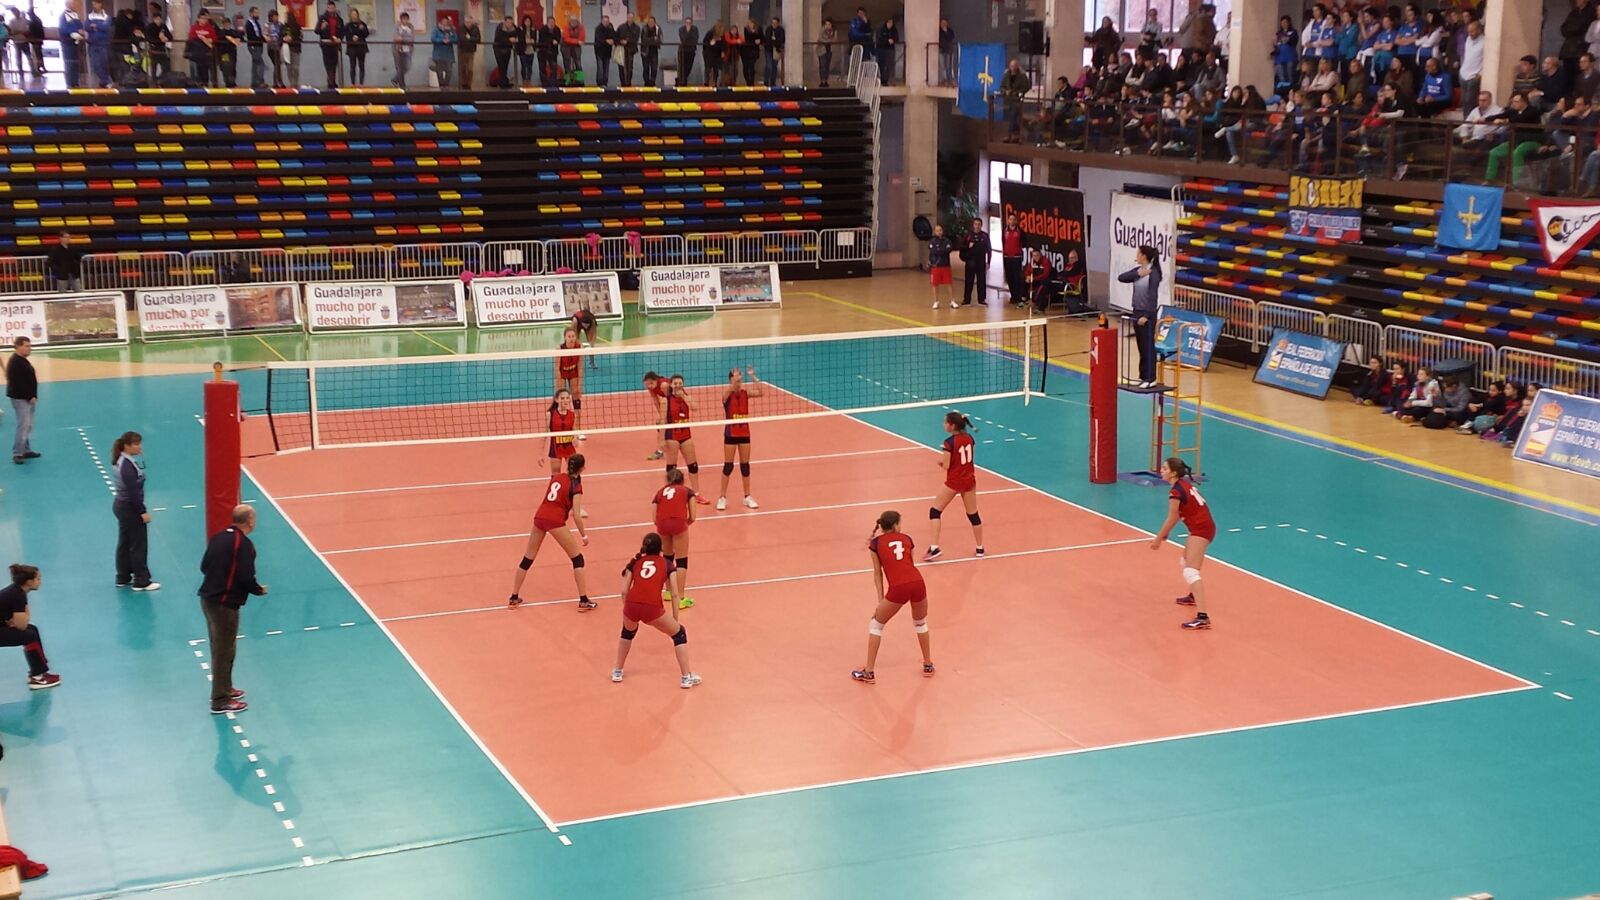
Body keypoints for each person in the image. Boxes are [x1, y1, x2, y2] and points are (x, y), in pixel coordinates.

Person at [199, 505, 267, 714]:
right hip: (224, 604)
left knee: (219, 647)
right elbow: (246, 576)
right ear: (250, 521)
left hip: (208, 599)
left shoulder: (218, 537)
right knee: (225, 651)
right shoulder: (244, 545)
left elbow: (204, 566)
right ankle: (220, 700)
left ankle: (226, 688)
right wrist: (258, 590)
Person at [853, 510, 934, 683]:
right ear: (896, 525)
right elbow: (908, 564)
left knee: (876, 625)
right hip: (918, 582)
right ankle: (928, 664)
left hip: (898, 587)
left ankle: (869, 672)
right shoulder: (907, 539)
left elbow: (878, 573)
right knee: (920, 623)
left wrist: (881, 599)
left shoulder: (875, 544)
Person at [612, 533, 700, 688]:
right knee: (679, 634)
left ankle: (617, 671)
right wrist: (675, 619)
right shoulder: (667, 564)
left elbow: (624, 591)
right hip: (652, 607)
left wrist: (628, 609)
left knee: (627, 632)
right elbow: (674, 594)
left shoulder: (636, 562)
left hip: (631, 604)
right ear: (661, 548)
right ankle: (686, 677)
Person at [508, 454, 593, 611]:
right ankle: (583, 600)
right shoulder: (576, 486)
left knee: (528, 558)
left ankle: (513, 597)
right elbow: (576, 514)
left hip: (540, 516)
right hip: (554, 520)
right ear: (582, 468)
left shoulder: (557, 477)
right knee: (577, 559)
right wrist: (584, 535)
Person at [1150, 457, 1215, 630]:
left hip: (1201, 529)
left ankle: (1203, 617)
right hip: (1202, 527)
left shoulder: (1176, 492)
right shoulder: (1183, 485)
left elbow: (1172, 517)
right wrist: (1166, 534)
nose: (1161, 470)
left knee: (1191, 571)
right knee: (1185, 561)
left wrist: (1158, 539)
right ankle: (1194, 595)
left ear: (1173, 473)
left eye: (1164, 468)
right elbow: (1180, 514)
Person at [924, 412, 982, 560]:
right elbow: (969, 459)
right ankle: (980, 548)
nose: (944, 425)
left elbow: (947, 466)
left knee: (935, 511)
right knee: (973, 514)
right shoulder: (970, 438)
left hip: (954, 482)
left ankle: (934, 548)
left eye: (946, 422)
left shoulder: (949, 443)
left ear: (952, 426)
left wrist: (942, 463)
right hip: (969, 481)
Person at [111, 431, 159, 591]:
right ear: (127, 446)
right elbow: (134, 492)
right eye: (136, 444)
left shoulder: (121, 460)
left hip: (121, 506)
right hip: (130, 508)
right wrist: (142, 511)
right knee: (138, 544)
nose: (140, 447)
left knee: (125, 543)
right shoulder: (127, 466)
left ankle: (123, 576)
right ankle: (141, 580)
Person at [0, 564, 59, 690]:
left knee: (32, 630)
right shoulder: (18, 595)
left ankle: (39, 671)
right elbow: (21, 626)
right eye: (38, 579)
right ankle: (38, 678)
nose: (40, 582)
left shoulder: (15, 590)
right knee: (29, 635)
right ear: (29, 582)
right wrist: (26, 612)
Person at [1117, 244, 1162, 387]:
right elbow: (1121, 277)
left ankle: (1151, 378)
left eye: (1138, 253)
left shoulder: (1153, 273)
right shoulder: (1139, 271)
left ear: (1144, 256)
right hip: (1136, 311)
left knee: (1148, 347)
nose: (1136, 256)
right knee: (1141, 346)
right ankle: (1143, 376)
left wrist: (1147, 316)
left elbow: (1153, 298)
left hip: (1146, 314)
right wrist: (1137, 274)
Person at [717, 365, 761, 511]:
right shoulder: (727, 394)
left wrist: (752, 376)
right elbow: (728, 392)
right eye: (736, 376)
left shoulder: (745, 393)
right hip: (731, 434)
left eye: (740, 376)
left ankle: (747, 496)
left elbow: (761, 392)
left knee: (745, 466)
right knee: (728, 466)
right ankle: (722, 497)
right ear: (730, 379)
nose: (739, 378)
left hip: (744, 434)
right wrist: (734, 381)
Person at [652, 468, 697, 610]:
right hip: (679, 522)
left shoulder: (660, 492)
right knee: (682, 560)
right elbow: (693, 516)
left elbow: (654, 518)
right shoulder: (687, 491)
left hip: (662, 524)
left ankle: (668, 591)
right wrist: (684, 524)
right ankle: (681, 597)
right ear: (682, 480)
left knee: (667, 558)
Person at [662, 374, 712, 503]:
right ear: (671, 385)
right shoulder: (666, 400)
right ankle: (670, 494)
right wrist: (661, 440)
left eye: (680, 383)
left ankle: (696, 494)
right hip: (672, 435)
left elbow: (694, 408)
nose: (678, 385)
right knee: (671, 468)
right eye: (675, 383)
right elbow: (662, 422)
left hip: (686, 435)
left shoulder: (687, 397)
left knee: (693, 465)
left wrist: (683, 396)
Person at [6, 336, 38, 465]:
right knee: (23, 426)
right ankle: (17, 453)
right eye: (26, 346)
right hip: (21, 399)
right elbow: (18, 384)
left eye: (30, 346)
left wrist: (33, 395)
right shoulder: (15, 363)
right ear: (18, 346)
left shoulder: (22, 361)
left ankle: (25, 449)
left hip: (27, 398)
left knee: (28, 425)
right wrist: (30, 396)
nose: (29, 348)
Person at [554, 327, 585, 439]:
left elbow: (580, 367)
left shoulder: (579, 347)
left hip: (573, 372)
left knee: (576, 397)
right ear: (565, 338)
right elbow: (556, 368)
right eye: (569, 336)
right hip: (562, 373)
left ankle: (578, 429)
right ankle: (560, 428)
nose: (571, 339)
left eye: (573, 336)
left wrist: (580, 385)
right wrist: (559, 387)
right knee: (561, 400)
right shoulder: (559, 349)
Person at [541, 389, 578, 470]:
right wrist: (540, 454)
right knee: (555, 475)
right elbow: (544, 435)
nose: (565, 400)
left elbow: (574, 430)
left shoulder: (572, 415)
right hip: (555, 448)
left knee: (574, 473)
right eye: (562, 398)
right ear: (556, 400)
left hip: (569, 448)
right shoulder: (550, 414)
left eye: (567, 398)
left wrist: (575, 437)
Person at [960, 217, 991, 306]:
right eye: (975, 224)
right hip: (970, 262)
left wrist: (988, 262)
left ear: (981, 225)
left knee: (981, 281)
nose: (977, 226)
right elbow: (961, 246)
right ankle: (966, 300)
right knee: (969, 281)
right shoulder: (968, 235)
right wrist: (967, 246)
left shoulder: (985, 236)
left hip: (981, 262)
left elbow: (989, 249)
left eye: (979, 224)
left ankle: (981, 300)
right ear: (973, 225)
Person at [1000, 58, 1030, 141]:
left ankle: (1010, 134)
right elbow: (1001, 86)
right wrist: (1005, 91)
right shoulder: (1006, 75)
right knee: (1013, 117)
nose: (1012, 67)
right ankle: (1015, 135)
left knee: (1013, 114)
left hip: (1017, 99)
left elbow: (1027, 87)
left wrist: (1017, 92)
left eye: (1014, 66)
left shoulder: (1022, 76)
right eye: (1011, 66)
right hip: (1007, 100)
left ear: (1017, 66)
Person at [313, 0, 340, 87]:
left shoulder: (338, 19)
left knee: (334, 62)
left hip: (334, 43)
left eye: (332, 8)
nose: (331, 9)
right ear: (327, 8)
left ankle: (332, 80)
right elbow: (316, 31)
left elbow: (342, 31)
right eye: (329, 8)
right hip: (325, 43)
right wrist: (322, 28)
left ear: (335, 8)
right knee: (328, 63)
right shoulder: (322, 18)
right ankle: (331, 81)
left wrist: (339, 38)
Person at [642, 371, 669, 460]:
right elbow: (655, 399)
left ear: (656, 380)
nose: (649, 386)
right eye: (647, 384)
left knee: (663, 425)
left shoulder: (663, 385)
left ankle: (661, 451)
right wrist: (661, 415)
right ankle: (661, 450)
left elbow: (671, 399)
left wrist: (665, 417)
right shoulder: (651, 388)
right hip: (667, 403)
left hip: (678, 403)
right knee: (661, 424)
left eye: (651, 383)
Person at [928, 223, 954, 309]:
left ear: (942, 231)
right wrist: (941, 250)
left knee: (949, 283)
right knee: (935, 284)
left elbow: (948, 250)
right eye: (937, 230)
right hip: (935, 266)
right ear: (934, 232)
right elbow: (933, 251)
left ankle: (952, 301)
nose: (939, 232)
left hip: (946, 265)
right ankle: (936, 301)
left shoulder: (947, 241)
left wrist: (939, 250)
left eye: (940, 230)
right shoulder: (932, 241)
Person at [85, 0, 110, 87]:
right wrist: (99, 27)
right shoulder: (89, 16)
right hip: (92, 44)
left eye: (95, 4)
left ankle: (104, 82)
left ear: (100, 4)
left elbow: (106, 27)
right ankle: (105, 80)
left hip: (103, 44)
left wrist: (96, 26)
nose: (94, 6)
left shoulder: (106, 17)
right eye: (93, 4)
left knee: (104, 63)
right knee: (95, 64)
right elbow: (87, 27)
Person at [59, 2, 84, 89]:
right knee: (69, 63)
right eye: (71, 4)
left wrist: (80, 31)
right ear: (67, 4)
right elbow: (64, 29)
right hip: (67, 43)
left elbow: (80, 25)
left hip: (76, 43)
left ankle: (75, 82)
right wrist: (75, 32)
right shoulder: (63, 16)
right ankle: (70, 82)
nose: (73, 5)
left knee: (75, 63)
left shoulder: (75, 15)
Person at [1000, 212, 1023, 304]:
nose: (1012, 221)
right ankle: (1013, 296)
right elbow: (1003, 241)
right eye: (1010, 219)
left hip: (1016, 257)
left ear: (1016, 221)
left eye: (1013, 219)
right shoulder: (1005, 230)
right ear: (1008, 221)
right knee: (1009, 277)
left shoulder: (1020, 231)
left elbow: (1024, 242)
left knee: (1017, 277)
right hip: (1007, 257)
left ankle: (1018, 297)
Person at [145, 9, 172, 83]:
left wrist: (166, 38)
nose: (158, 21)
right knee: (154, 65)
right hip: (154, 48)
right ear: (153, 19)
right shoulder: (150, 27)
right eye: (156, 19)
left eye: (159, 19)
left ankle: (165, 79)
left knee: (165, 64)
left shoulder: (163, 26)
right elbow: (148, 38)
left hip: (162, 48)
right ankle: (154, 80)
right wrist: (159, 39)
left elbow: (170, 36)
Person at [429, 16, 454, 88]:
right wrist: (442, 40)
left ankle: (446, 84)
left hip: (449, 54)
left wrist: (450, 40)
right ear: (440, 22)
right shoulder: (436, 30)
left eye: (446, 22)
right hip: (438, 54)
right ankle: (442, 85)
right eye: (444, 21)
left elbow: (455, 38)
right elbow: (433, 38)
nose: (445, 23)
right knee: (439, 71)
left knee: (449, 71)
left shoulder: (451, 30)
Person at [344, 8, 367, 85]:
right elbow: (346, 35)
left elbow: (366, 34)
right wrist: (352, 38)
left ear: (357, 15)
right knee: (352, 66)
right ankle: (353, 83)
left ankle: (361, 83)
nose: (354, 16)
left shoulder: (362, 24)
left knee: (361, 66)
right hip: (352, 48)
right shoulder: (347, 26)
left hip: (361, 47)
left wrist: (363, 29)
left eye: (355, 14)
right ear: (350, 16)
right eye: (352, 14)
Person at [391, 11, 414, 88]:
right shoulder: (397, 26)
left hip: (407, 50)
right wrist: (404, 39)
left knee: (407, 67)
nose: (405, 21)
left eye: (406, 19)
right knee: (399, 68)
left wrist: (403, 39)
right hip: (398, 49)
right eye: (403, 19)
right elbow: (396, 38)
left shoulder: (410, 27)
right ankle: (402, 85)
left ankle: (394, 79)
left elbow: (411, 39)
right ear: (401, 19)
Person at [535, 15, 559, 86]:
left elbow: (558, 38)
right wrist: (552, 41)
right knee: (542, 68)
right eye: (550, 22)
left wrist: (555, 41)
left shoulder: (557, 29)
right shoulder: (542, 30)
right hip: (543, 51)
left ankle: (553, 83)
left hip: (553, 52)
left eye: (553, 22)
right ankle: (544, 83)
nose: (551, 24)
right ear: (547, 23)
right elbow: (543, 40)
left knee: (553, 68)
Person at [591, 14, 614, 86]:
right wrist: (606, 41)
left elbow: (613, 36)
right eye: (604, 21)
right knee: (600, 68)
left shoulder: (610, 27)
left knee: (606, 69)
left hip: (608, 52)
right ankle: (599, 83)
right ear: (602, 21)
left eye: (607, 21)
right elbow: (599, 39)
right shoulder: (598, 28)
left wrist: (613, 40)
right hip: (599, 52)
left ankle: (605, 83)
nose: (606, 23)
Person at [874, 14, 897, 85]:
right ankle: (881, 80)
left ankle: (886, 80)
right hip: (881, 49)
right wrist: (887, 41)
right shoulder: (881, 29)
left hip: (890, 49)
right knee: (881, 65)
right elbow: (879, 39)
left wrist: (893, 40)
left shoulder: (894, 29)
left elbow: (896, 37)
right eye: (890, 23)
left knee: (889, 65)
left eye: (892, 23)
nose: (891, 24)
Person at [616, 13, 637, 86]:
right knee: (621, 67)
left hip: (631, 50)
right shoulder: (621, 27)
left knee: (630, 67)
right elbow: (616, 37)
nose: (630, 19)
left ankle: (628, 83)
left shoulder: (636, 28)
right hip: (621, 50)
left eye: (632, 18)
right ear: (627, 18)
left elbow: (636, 39)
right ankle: (622, 83)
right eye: (629, 17)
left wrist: (627, 41)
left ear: (633, 18)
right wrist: (620, 41)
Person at [457, 14, 479, 88]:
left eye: (469, 22)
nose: (468, 24)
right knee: (463, 68)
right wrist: (471, 39)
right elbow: (461, 38)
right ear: (464, 22)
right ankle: (463, 83)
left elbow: (478, 39)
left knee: (470, 69)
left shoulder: (475, 28)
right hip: (462, 50)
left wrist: (469, 38)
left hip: (471, 50)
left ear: (472, 22)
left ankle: (469, 84)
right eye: (467, 22)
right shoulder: (461, 28)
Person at [281, 10, 301, 86]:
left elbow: (299, 37)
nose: (285, 18)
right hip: (286, 49)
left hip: (295, 48)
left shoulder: (297, 26)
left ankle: (295, 83)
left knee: (295, 67)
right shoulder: (283, 27)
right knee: (289, 67)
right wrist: (284, 38)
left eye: (286, 17)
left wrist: (292, 38)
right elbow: (281, 35)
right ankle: (291, 83)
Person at [561, 14, 583, 81]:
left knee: (578, 64)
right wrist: (576, 41)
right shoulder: (565, 27)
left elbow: (582, 38)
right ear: (569, 21)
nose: (574, 22)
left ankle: (580, 80)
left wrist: (575, 41)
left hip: (576, 47)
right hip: (566, 47)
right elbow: (566, 39)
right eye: (572, 21)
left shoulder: (581, 27)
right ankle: (568, 81)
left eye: (575, 21)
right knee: (567, 65)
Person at [739, 17, 760, 86]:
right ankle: (747, 81)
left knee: (752, 66)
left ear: (754, 23)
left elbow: (761, 37)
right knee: (745, 66)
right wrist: (754, 36)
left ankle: (752, 81)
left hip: (754, 50)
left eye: (750, 23)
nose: (749, 24)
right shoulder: (746, 29)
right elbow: (748, 39)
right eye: (748, 23)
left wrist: (758, 40)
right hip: (746, 50)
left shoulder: (758, 29)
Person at [762, 15, 783, 86]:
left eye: (775, 23)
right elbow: (767, 39)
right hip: (769, 50)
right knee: (769, 65)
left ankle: (773, 82)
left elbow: (781, 40)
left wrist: (774, 41)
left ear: (778, 23)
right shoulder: (769, 29)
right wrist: (773, 40)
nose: (774, 24)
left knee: (774, 66)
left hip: (776, 50)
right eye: (773, 23)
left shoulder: (781, 30)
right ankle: (766, 81)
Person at [676, 16, 697, 86]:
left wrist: (689, 35)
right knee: (682, 68)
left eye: (689, 23)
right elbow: (683, 40)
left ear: (692, 23)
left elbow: (695, 40)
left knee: (689, 67)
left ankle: (680, 79)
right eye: (687, 22)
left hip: (691, 50)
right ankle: (682, 82)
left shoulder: (695, 29)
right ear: (685, 23)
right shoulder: (681, 29)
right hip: (683, 51)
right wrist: (688, 32)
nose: (688, 24)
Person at [640, 15, 660, 86]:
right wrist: (653, 39)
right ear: (647, 22)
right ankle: (646, 83)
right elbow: (644, 40)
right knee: (646, 68)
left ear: (655, 22)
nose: (651, 23)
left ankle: (652, 82)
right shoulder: (644, 29)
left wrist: (652, 40)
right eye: (650, 22)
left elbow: (660, 39)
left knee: (654, 68)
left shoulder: (657, 29)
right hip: (645, 51)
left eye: (652, 22)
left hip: (654, 51)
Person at [816, 17, 835, 87]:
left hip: (829, 50)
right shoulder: (822, 30)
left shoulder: (833, 31)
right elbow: (820, 39)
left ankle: (826, 80)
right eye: (826, 24)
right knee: (822, 65)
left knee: (827, 66)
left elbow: (833, 40)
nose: (827, 26)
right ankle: (822, 81)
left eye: (829, 24)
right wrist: (827, 41)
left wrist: (826, 40)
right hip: (821, 50)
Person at [936, 16, 955, 86]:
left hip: (949, 50)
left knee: (949, 66)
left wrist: (946, 31)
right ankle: (943, 80)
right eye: (942, 23)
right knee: (942, 66)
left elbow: (951, 37)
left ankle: (950, 79)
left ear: (947, 23)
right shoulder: (938, 31)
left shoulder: (950, 31)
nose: (943, 24)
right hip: (941, 50)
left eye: (945, 23)